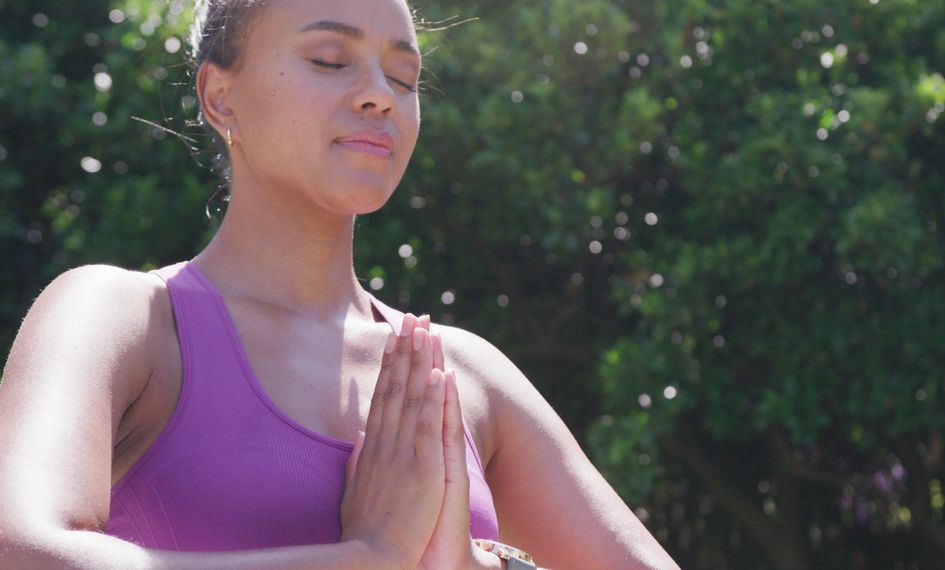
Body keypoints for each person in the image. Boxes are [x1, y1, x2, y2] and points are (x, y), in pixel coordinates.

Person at [0, 0, 679, 568]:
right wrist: (373, 556)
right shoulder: (127, 321)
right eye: (330, 60)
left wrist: (470, 563)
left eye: (406, 77)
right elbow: (21, 552)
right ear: (219, 95)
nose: (380, 96)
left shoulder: (465, 376)